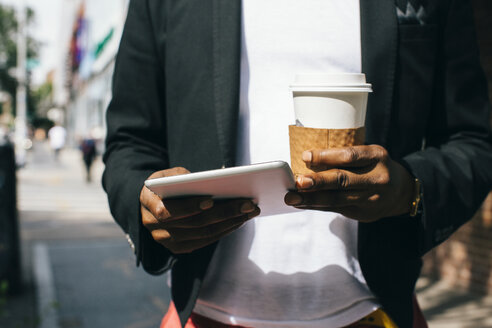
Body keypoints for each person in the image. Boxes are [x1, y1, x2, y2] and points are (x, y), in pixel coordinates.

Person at [102, 1, 492, 327]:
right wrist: (147, 204)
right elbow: (130, 143)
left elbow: (471, 140)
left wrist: (411, 190)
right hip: (204, 315)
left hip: (373, 314)